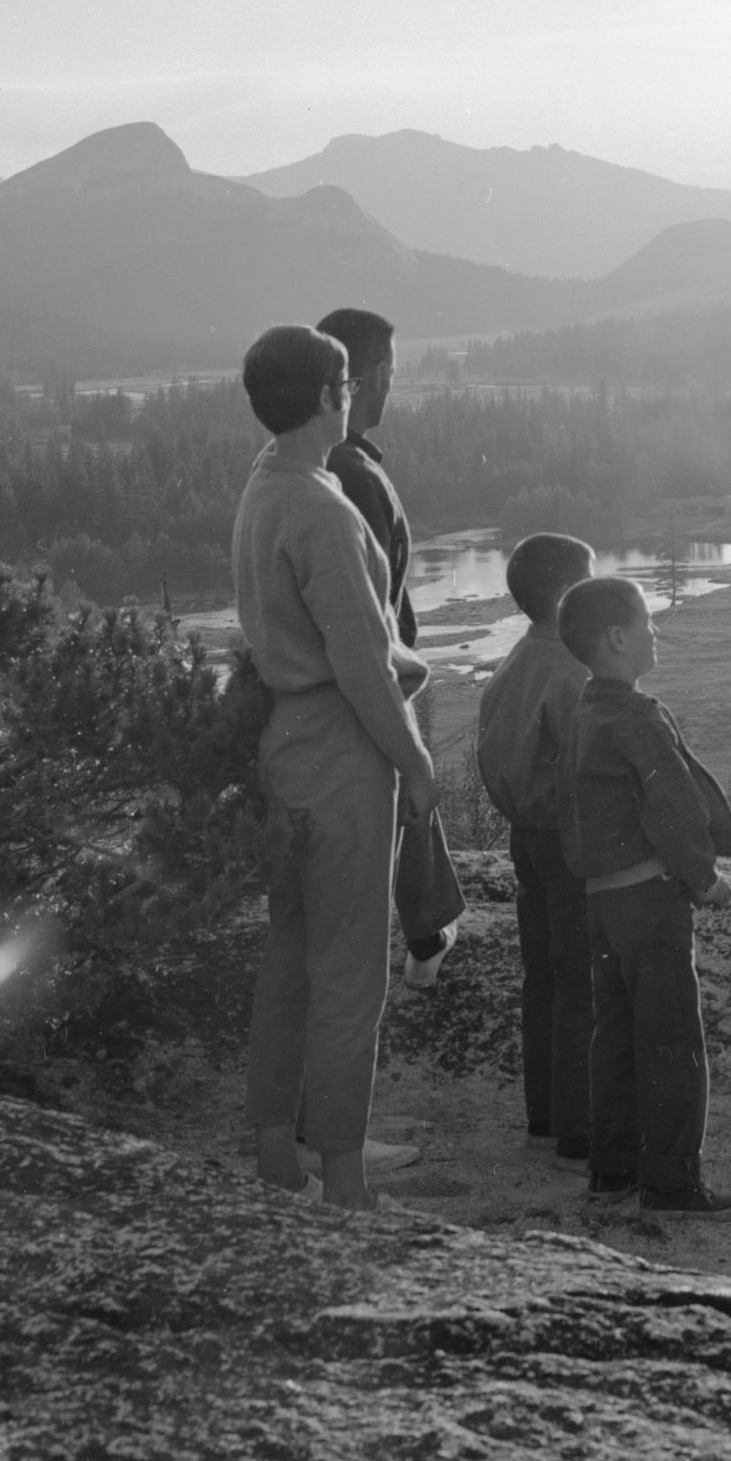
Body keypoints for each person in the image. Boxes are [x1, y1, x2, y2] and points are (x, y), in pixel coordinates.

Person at [231, 323, 438, 1212]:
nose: (352, 393)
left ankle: (278, 1153)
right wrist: (417, 762)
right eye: (346, 382)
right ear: (327, 396)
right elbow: (361, 663)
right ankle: (345, 1183)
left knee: (289, 962)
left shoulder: (264, 482)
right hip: (343, 751)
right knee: (352, 975)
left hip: (283, 746)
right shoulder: (319, 506)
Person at [557, 574, 731, 1221]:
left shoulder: (586, 712)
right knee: (670, 1039)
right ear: (617, 638)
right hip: (651, 901)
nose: (654, 631)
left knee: (613, 1036)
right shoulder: (635, 719)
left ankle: (612, 1172)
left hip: (602, 905)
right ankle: (672, 1184)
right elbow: (672, 808)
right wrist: (703, 879)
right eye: (646, 622)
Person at [314, 306, 466, 986]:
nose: (390, 387)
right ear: (370, 374)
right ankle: (424, 936)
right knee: (406, 788)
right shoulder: (354, 476)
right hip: (369, 685)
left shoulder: (316, 465)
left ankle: (428, 926)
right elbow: (369, 611)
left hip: (344, 691)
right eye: (391, 373)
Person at [474, 532, 598, 1167]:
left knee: (544, 977)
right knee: (581, 978)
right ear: (571, 595)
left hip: (527, 839)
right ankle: (579, 1132)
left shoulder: (513, 664)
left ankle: (545, 1117)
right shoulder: (570, 673)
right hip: (570, 840)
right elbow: (595, 764)